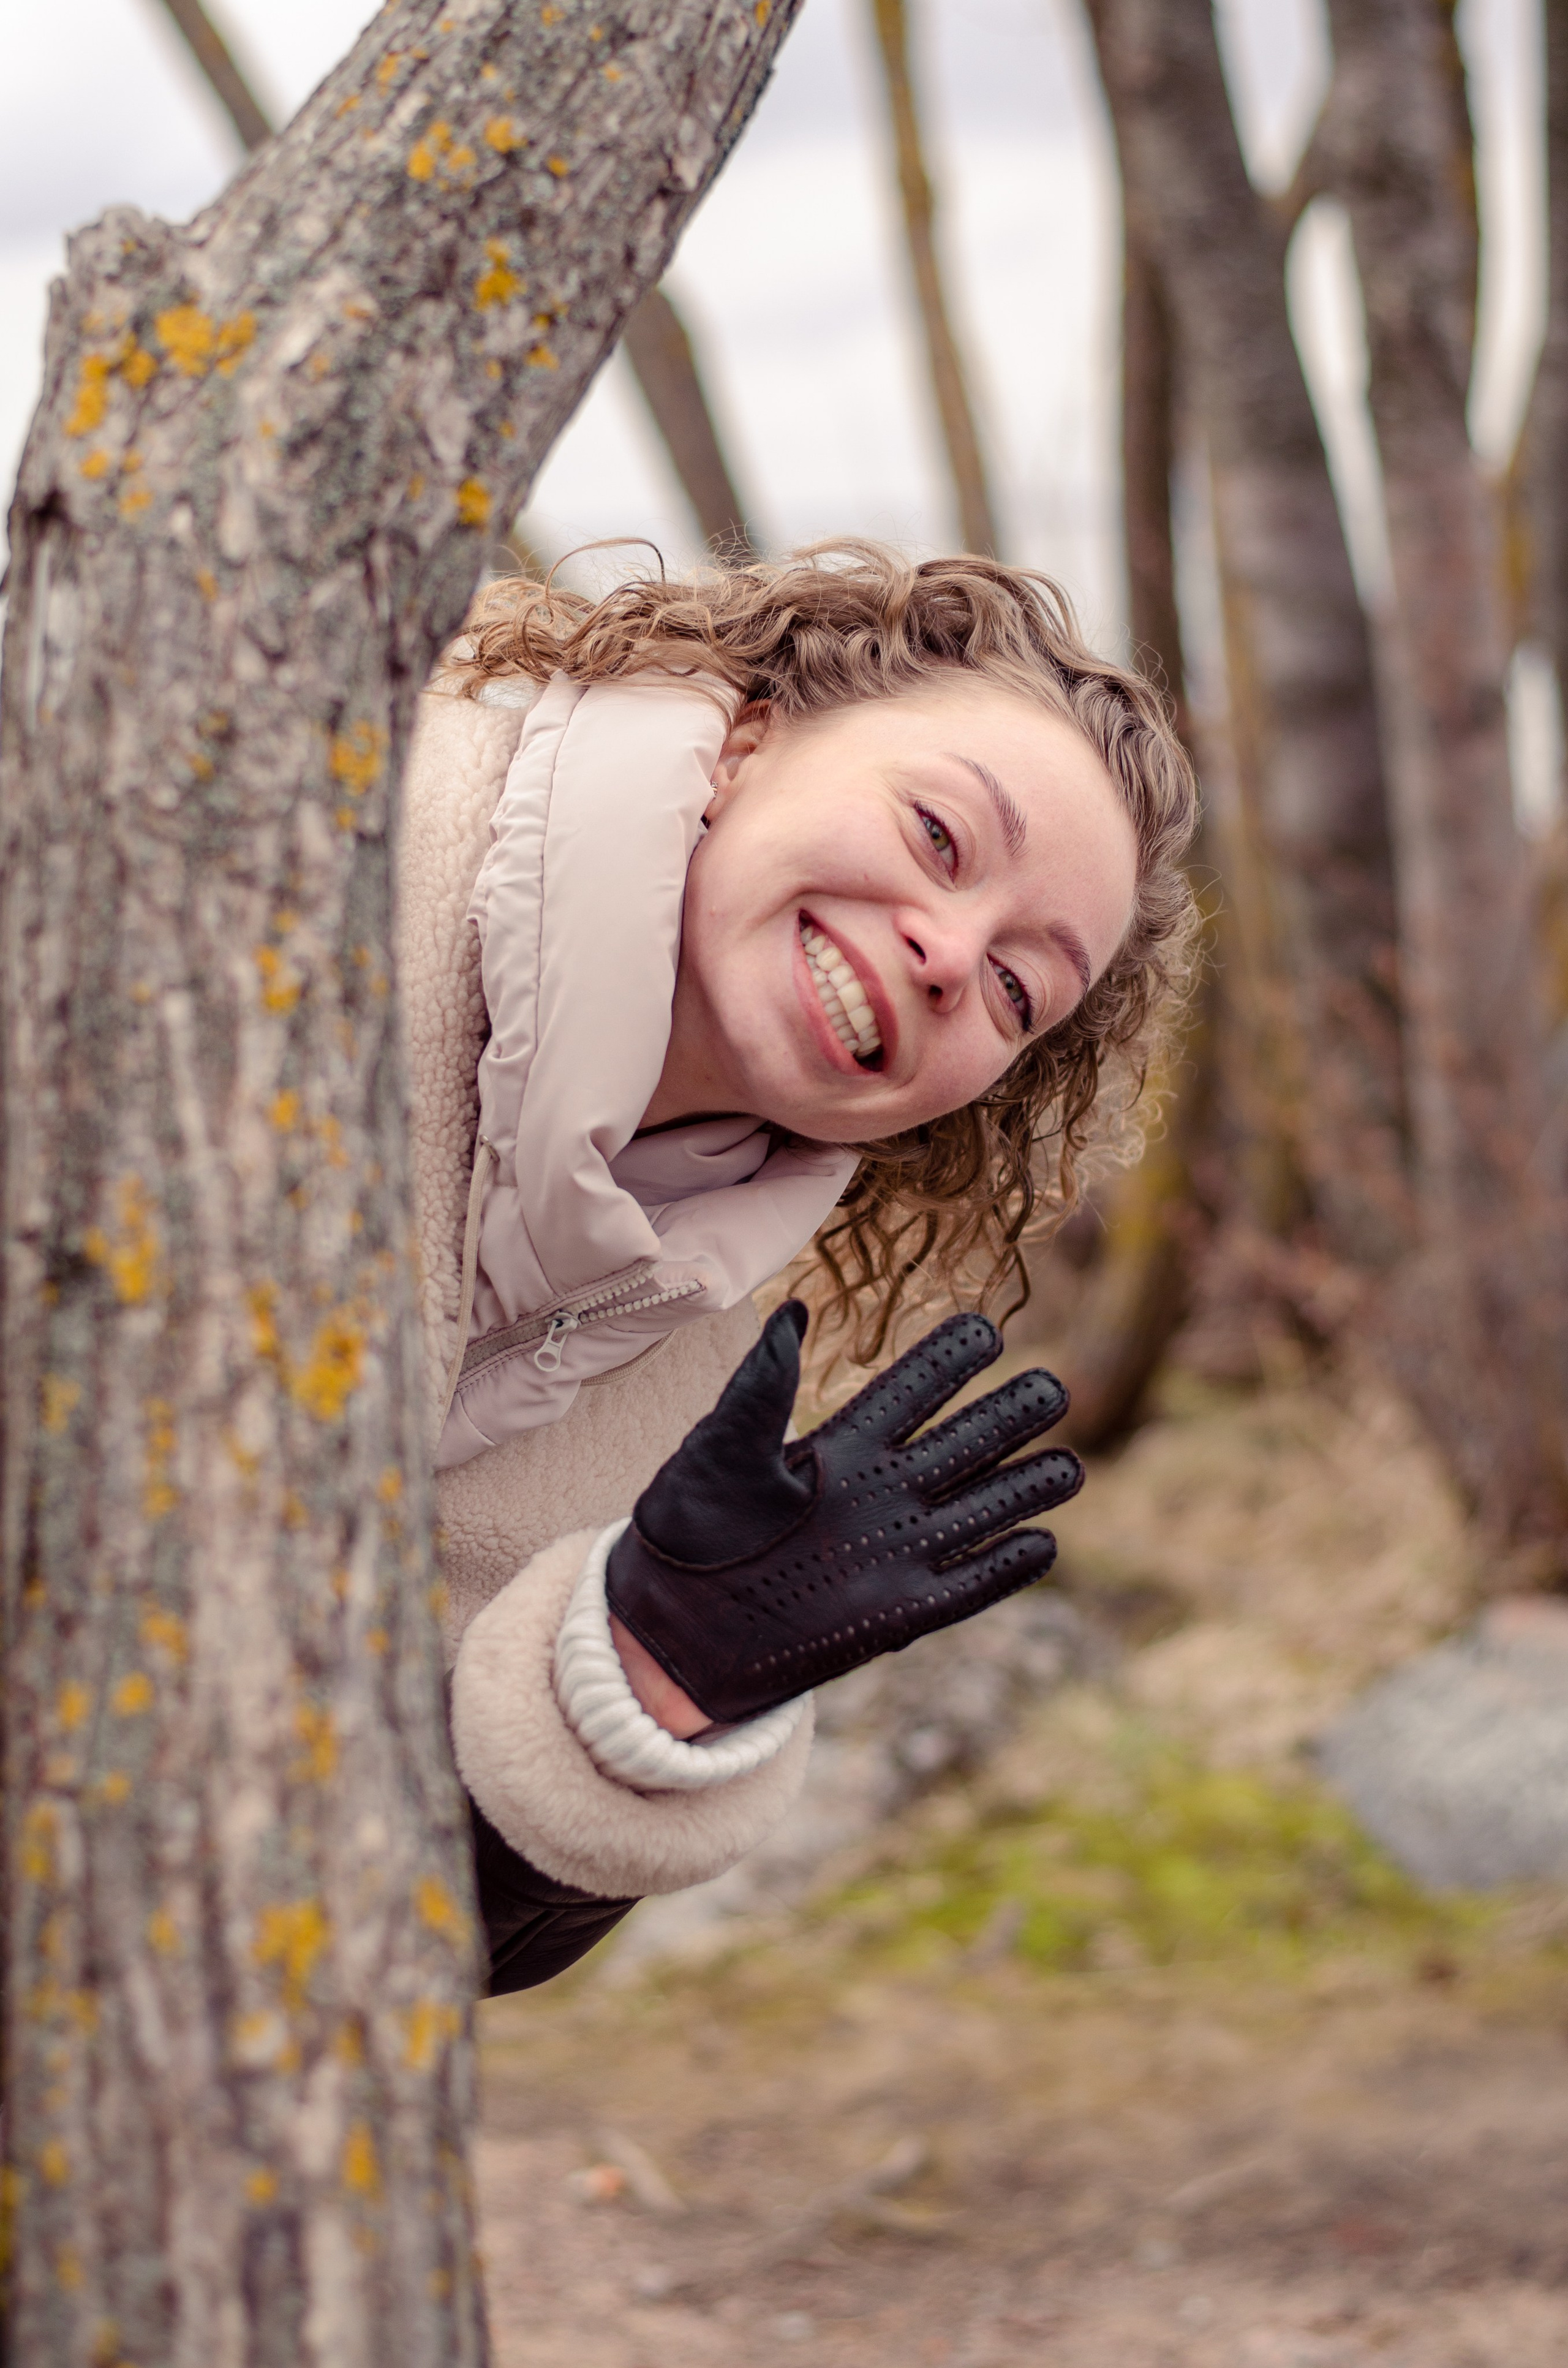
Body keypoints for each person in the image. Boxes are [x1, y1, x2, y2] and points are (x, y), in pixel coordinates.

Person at [395, 542, 1198, 1992]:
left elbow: (372, 1932)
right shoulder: (327, 822)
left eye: (1020, 988)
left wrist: (643, 1670)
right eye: (940, 836)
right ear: (749, 731)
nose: (952, 953)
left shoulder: (682, 1377)